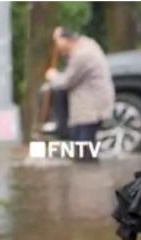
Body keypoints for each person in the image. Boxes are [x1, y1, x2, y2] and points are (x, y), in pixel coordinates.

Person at [45, 26, 115, 161]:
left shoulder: (82, 55)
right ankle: (89, 170)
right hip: (93, 105)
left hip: (90, 109)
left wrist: (52, 76)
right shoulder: (86, 44)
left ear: (66, 40)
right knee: (84, 147)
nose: (57, 48)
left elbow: (66, 81)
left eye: (57, 42)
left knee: (83, 149)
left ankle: (87, 171)